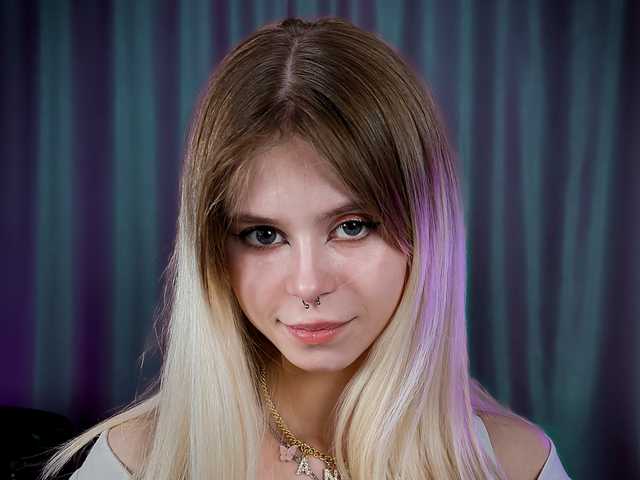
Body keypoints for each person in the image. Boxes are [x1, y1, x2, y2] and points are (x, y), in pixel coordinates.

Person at [41, 17, 570, 480]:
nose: (309, 284)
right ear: (213, 254)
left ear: (427, 230)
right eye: (264, 235)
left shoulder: (515, 465)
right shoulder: (137, 463)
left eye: (352, 226)